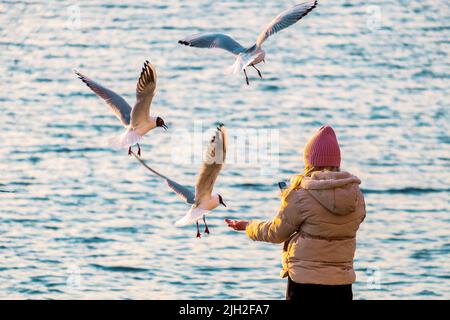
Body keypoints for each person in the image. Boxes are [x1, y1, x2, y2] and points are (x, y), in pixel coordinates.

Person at [225, 125, 366, 300]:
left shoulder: (300, 195)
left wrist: (248, 226)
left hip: (304, 283)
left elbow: (276, 233)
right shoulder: (356, 196)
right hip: (342, 284)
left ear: (309, 161)